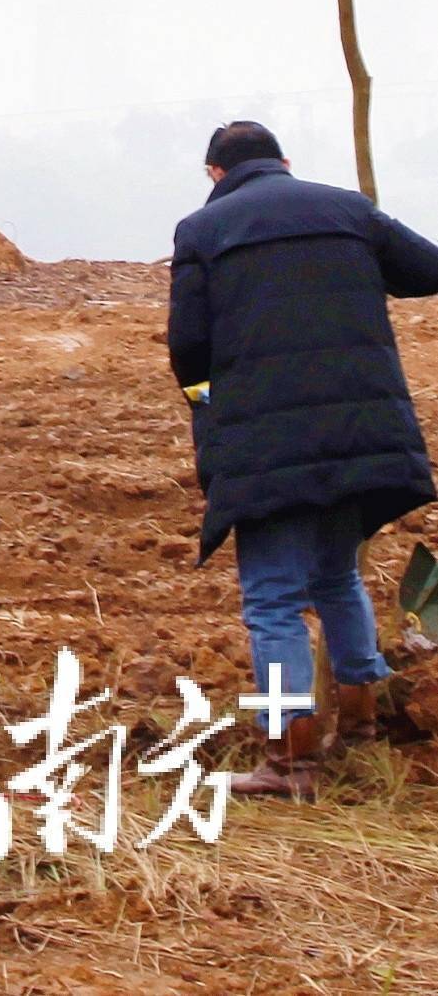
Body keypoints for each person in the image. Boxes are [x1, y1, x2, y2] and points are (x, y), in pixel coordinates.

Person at [170, 120, 438, 801]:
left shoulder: (201, 232)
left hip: (269, 444)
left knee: (270, 599)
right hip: (361, 432)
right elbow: (425, 270)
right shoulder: (347, 209)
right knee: (333, 574)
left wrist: (207, 407)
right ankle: (360, 721)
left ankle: (288, 762)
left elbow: (187, 349)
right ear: (284, 161)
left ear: (213, 175)